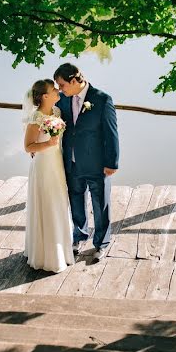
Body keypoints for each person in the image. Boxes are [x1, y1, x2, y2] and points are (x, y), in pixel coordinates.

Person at [54, 63, 119, 262]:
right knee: (76, 200)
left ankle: (101, 243)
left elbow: (111, 133)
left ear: (74, 81)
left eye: (62, 84)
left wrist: (112, 163)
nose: (59, 89)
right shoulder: (63, 100)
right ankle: (79, 235)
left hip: (96, 163)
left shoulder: (102, 99)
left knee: (101, 205)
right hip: (71, 163)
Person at [22, 79, 74, 272]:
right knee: (47, 203)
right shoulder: (36, 117)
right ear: (45, 96)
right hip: (43, 165)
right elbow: (28, 146)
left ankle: (61, 248)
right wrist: (48, 145)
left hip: (56, 163)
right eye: (54, 90)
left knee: (58, 202)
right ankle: (46, 255)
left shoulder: (56, 112)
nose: (57, 91)